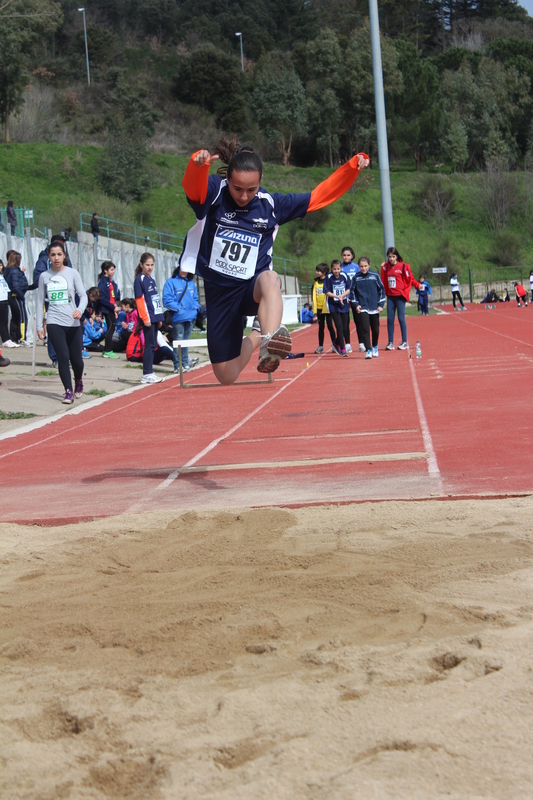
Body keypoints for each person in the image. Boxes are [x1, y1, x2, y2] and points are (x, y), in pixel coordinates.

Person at [179, 137, 369, 384]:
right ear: (228, 180)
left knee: (271, 278)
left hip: (251, 288)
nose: (244, 196)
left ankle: (270, 344)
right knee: (226, 375)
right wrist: (197, 167)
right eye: (238, 189)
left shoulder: (271, 205)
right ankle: (258, 335)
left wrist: (351, 168)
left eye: (252, 189)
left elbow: (318, 197)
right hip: (219, 293)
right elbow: (194, 189)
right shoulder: (215, 192)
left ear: (260, 183)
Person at [36, 241, 87, 404]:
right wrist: (39, 326)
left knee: (77, 361)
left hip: (72, 322)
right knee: (63, 357)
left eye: (59, 254)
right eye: (53, 255)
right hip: (54, 320)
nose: (56, 258)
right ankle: (68, 391)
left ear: (64, 255)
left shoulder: (72, 273)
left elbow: (83, 295)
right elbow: (39, 302)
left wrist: (79, 309)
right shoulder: (44, 276)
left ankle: (78, 380)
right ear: (48, 257)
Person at [162, 266, 201, 374]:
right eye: (182, 268)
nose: (184, 271)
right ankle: (177, 365)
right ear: (178, 268)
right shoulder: (171, 282)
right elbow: (166, 299)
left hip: (190, 317)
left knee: (185, 341)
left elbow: (195, 298)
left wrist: (196, 308)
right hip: (179, 317)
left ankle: (185, 363)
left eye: (186, 269)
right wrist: (178, 308)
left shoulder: (191, 283)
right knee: (179, 341)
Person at [380, 247, 420, 351]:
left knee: (401, 318)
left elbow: (410, 279)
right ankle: (390, 342)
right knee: (390, 319)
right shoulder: (386, 267)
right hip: (390, 296)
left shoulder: (403, 266)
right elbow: (383, 280)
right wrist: (382, 268)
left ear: (397, 256)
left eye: (393, 256)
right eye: (389, 257)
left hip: (400, 296)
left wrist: (417, 285)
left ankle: (404, 341)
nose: (391, 259)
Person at [134, 252, 165, 384]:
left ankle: (150, 372)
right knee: (149, 345)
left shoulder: (151, 279)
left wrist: (159, 318)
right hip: (147, 318)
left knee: (153, 345)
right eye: (147, 265)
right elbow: (140, 300)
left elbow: (155, 300)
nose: (150, 267)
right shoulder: (139, 279)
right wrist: (144, 318)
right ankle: (146, 373)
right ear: (141, 265)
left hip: (154, 317)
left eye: (152, 265)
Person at [351, 256, 385, 359]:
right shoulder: (356, 278)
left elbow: (382, 291)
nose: (363, 268)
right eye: (361, 266)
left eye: (365, 266)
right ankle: (368, 349)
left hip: (374, 307)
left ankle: (375, 346)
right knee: (365, 329)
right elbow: (352, 293)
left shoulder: (375, 276)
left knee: (375, 329)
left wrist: (381, 305)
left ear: (369, 265)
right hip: (363, 307)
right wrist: (356, 304)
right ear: (358, 267)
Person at [324, 259, 351, 356]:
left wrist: (342, 296)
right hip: (333, 305)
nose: (336, 271)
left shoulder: (344, 276)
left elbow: (349, 289)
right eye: (334, 269)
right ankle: (343, 349)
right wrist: (336, 296)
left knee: (344, 328)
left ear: (341, 268)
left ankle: (336, 342)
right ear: (331, 269)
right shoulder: (329, 277)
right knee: (339, 326)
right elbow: (326, 292)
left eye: (338, 269)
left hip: (343, 304)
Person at [341, 245, 365, 352]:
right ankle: (347, 344)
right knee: (345, 322)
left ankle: (361, 343)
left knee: (358, 321)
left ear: (352, 256)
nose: (346, 257)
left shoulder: (356, 267)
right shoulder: (339, 267)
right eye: (344, 255)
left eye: (348, 255)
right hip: (344, 298)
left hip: (355, 297)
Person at [5, 250, 29, 345]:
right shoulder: (14, 271)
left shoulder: (9, 270)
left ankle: (14, 338)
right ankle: (21, 338)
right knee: (22, 317)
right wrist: (21, 296)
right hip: (16, 297)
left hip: (12, 296)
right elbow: (15, 286)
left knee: (15, 318)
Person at [97, 261, 121, 359]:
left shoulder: (111, 282)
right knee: (111, 327)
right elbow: (102, 298)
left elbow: (114, 295)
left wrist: (116, 304)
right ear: (105, 271)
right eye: (111, 269)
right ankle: (108, 350)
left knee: (112, 327)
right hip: (107, 309)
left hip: (111, 307)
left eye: (113, 269)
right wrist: (112, 307)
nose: (113, 271)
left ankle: (107, 349)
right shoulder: (103, 282)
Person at [312, 262, 335, 354]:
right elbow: (313, 296)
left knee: (330, 326)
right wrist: (314, 309)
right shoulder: (316, 282)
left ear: (324, 272)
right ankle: (320, 346)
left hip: (328, 308)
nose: (317, 272)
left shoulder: (329, 281)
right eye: (317, 271)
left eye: (319, 271)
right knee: (321, 327)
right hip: (319, 308)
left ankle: (334, 344)